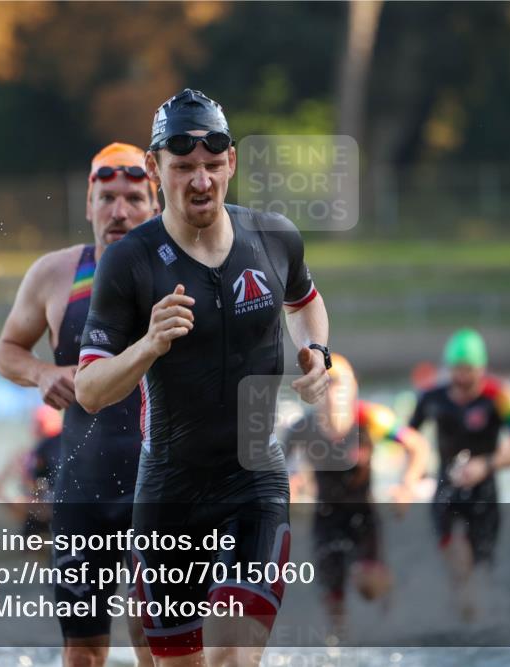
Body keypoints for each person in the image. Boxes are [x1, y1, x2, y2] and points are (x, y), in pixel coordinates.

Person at [74, 89, 331, 667]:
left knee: (233, 659)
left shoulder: (274, 236)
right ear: (154, 169)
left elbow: (306, 302)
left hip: (254, 482)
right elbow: (90, 391)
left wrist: (315, 350)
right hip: (169, 493)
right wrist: (149, 343)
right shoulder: (130, 262)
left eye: (213, 166)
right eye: (183, 166)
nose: (201, 181)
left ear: (232, 163)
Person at [0, 142, 159, 667]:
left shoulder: (181, 267)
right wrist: (42, 372)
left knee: (154, 630)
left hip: (160, 481)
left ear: (155, 204)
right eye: (107, 197)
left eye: (134, 197)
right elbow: (6, 351)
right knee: (83, 649)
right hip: (82, 484)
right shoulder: (55, 274)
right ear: (88, 204)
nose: (120, 211)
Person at [281, 353, 429, 640]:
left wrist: (407, 486)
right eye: (328, 384)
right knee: (333, 601)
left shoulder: (370, 418)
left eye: (341, 385)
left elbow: (417, 446)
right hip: (325, 518)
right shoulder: (302, 429)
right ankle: (341, 647)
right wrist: (289, 488)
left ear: (353, 389)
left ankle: (392, 610)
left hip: (364, 517)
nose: (334, 393)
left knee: (367, 587)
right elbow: (273, 472)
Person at [408, 328, 510, 620]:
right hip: (445, 490)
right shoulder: (431, 397)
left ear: (482, 368)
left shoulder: (500, 397)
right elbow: (409, 440)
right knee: (458, 565)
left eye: (469, 370)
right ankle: (455, 620)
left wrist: (486, 465)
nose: (462, 377)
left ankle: (472, 627)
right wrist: (415, 478)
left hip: (485, 495)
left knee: (480, 573)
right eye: (456, 369)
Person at [0, 404, 63, 538]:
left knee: (24, 501)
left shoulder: (33, 454)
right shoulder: (65, 446)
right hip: (56, 511)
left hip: (47, 511)